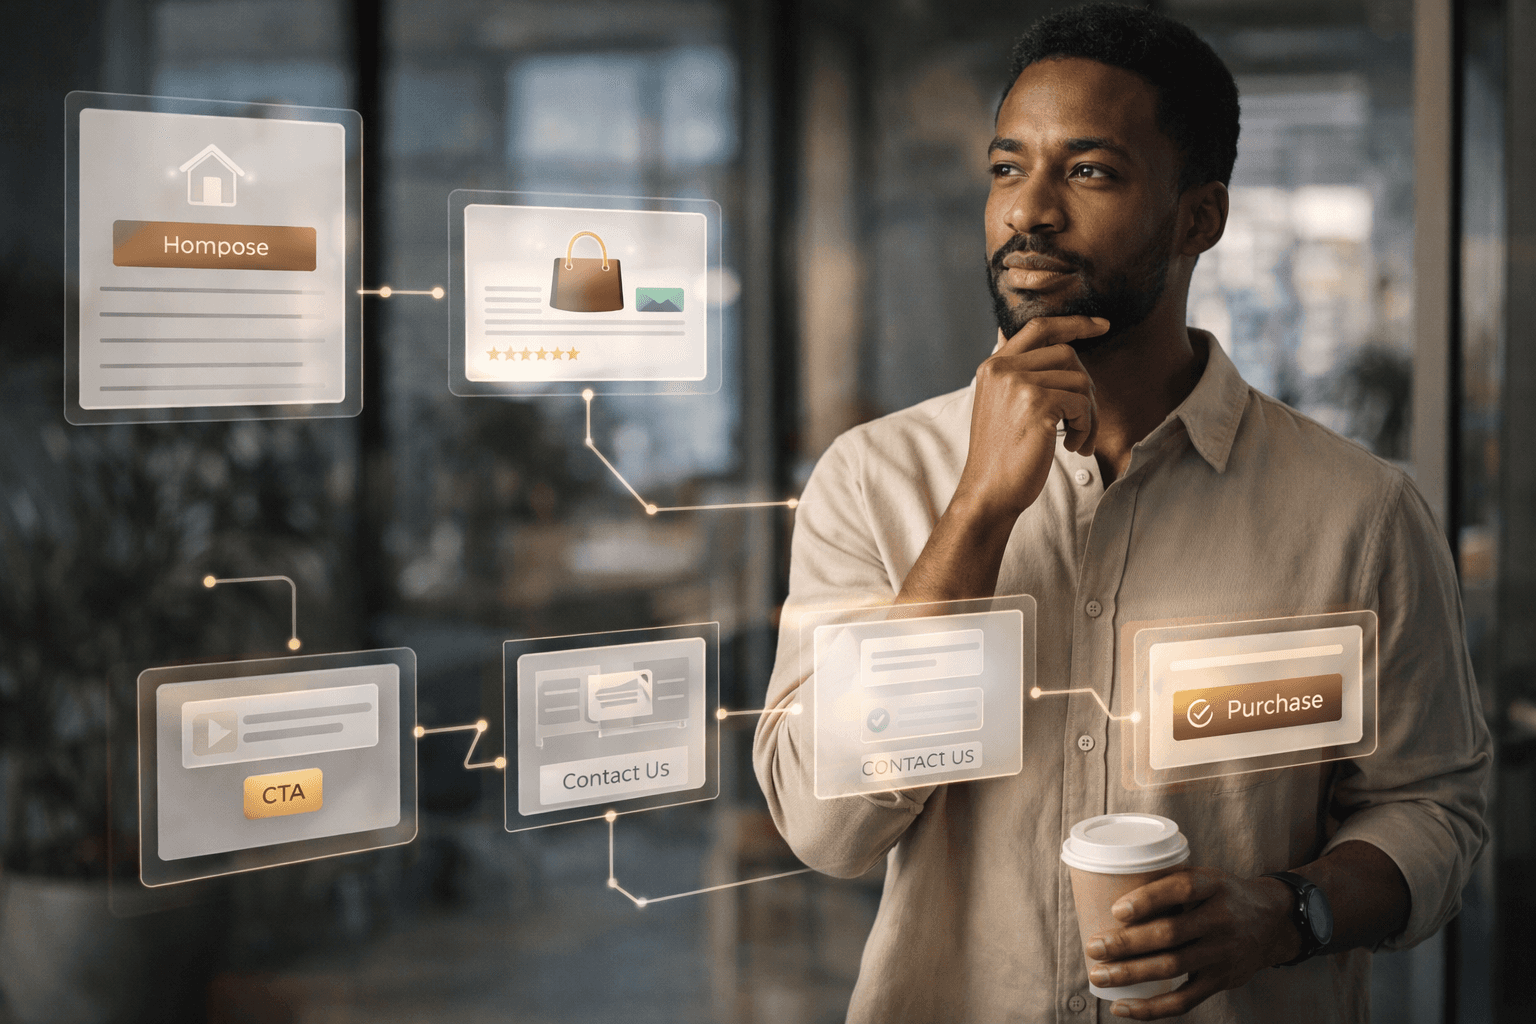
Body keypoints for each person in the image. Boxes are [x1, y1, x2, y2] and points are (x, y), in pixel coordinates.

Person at [752, 4, 1492, 1021]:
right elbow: (824, 829)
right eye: (1007, 168)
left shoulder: (1358, 514)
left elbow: (1434, 810)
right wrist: (978, 512)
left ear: (1199, 219)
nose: (1029, 211)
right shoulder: (874, 480)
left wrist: (1287, 913)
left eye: (1089, 171)